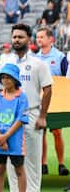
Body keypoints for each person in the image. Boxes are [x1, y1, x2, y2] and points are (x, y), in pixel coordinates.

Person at [0, 24, 52, 192]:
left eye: (21, 37)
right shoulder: (4, 62)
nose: (17, 40)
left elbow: (48, 89)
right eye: (14, 37)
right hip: (8, 117)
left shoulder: (38, 63)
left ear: (29, 39)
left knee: (33, 156)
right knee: (10, 156)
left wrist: (42, 116)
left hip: (32, 112)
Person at [0, 64, 29, 192]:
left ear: (15, 79)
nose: (5, 80)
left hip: (16, 139)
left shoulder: (22, 97)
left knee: (19, 169)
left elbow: (20, 119)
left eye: (8, 77)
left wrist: (5, 136)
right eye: (3, 77)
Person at [34, 27, 69, 176]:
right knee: (40, 133)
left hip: (56, 99)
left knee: (56, 132)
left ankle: (61, 163)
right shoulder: (35, 58)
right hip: (39, 100)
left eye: (42, 37)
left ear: (50, 39)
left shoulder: (60, 57)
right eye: (37, 37)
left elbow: (66, 79)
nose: (39, 40)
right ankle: (43, 163)